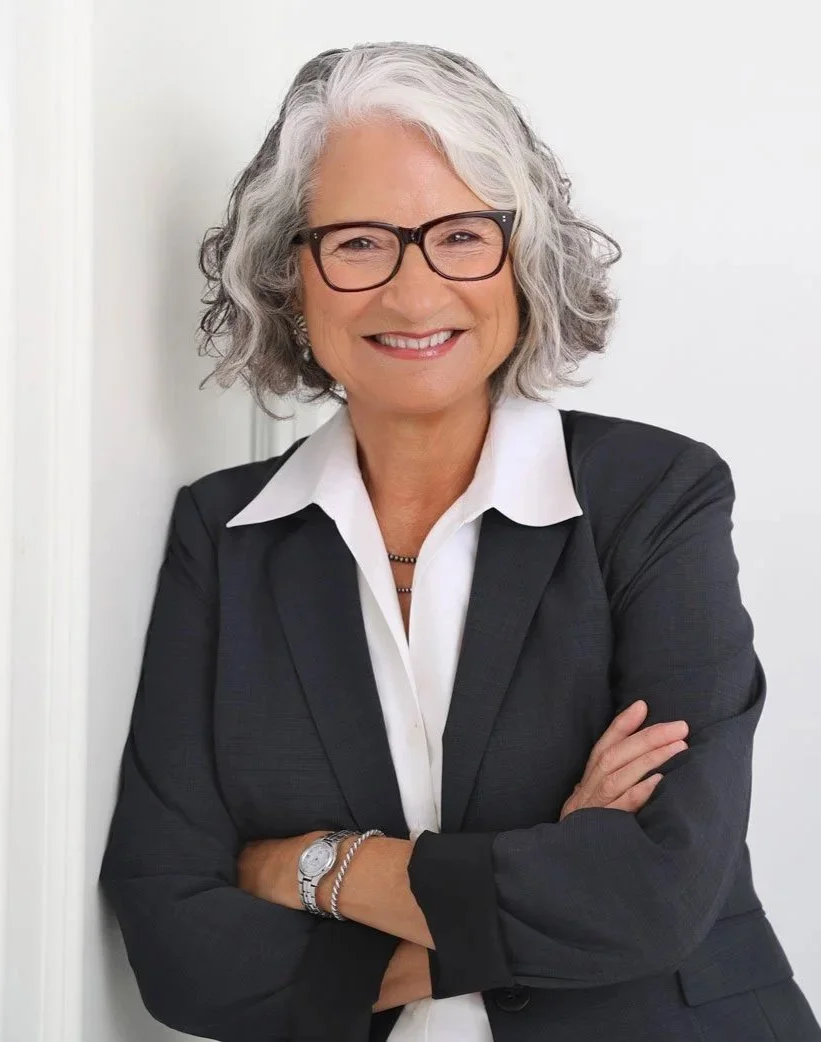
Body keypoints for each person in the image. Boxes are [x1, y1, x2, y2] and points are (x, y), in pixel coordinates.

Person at [99, 41, 821, 1042]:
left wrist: (309, 867)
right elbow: (178, 947)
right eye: (357, 242)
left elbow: (653, 892)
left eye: (459, 235)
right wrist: (541, 876)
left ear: (519, 262)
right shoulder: (222, 538)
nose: (410, 291)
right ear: (290, 277)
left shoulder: (653, 498)